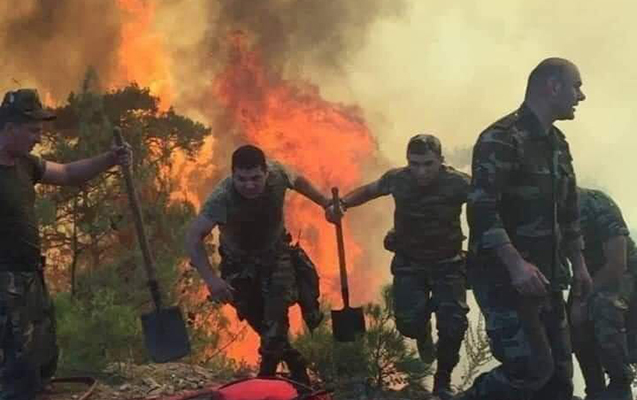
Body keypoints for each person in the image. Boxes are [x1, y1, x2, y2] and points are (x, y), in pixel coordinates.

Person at [457, 58, 592, 400]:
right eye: (576, 86)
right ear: (553, 86)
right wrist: (516, 265)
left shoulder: (557, 144)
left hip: (547, 278)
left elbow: (569, 212)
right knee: (529, 369)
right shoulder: (501, 139)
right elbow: (482, 210)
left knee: (559, 379)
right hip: (505, 278)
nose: (581, 96)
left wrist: (580, 267)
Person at [0, 88, 132, 400]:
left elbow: (70, 173)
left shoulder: (25, 165)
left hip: (31, 277)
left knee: (43, 354)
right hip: (4, 283)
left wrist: (111, 158)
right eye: (33, 130)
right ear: (9, 128)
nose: (38, 138)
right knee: (17, 366)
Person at [326, 134, 470, 400]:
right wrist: (342, 203)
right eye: (414, 164)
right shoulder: (398, 179)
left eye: (428, 164)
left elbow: (488, 203)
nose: (421, 171)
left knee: (453, 324)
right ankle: (422, 331)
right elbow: (370, 190)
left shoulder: (458, 183)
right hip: (409, 264)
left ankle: (443, 379)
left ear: (441, 160)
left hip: (447, 265)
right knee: (408, 324)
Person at [185, 145, 329, 386]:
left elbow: (299, 181)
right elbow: (193, 237)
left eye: (255, 178)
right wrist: (212, 280)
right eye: (241, 179)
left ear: (266, 173)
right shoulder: (222, 198)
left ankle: (268, 382)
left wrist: (325, 202)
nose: (249, 185)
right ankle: (295, 363)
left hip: (276, 259)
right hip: (239, 268)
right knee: (261, 324)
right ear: (233, 175)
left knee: (275, 327)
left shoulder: (278, 174)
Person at [570, 187, 635, 400]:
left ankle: (620, 383)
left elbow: (617, 264)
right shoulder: (549, 211)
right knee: (568, 320)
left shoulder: (596, 203)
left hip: (626, 274)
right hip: (586, 276)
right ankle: (595, 389)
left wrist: (582, 301)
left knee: (603, 304)